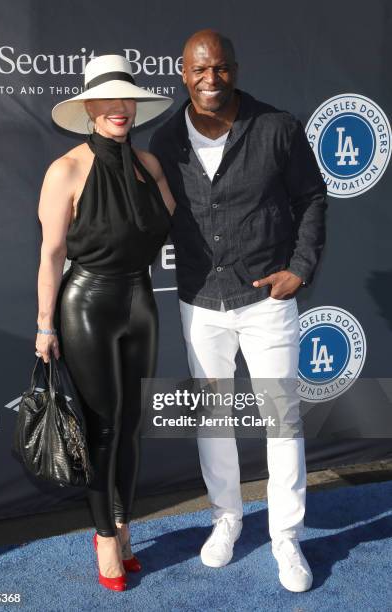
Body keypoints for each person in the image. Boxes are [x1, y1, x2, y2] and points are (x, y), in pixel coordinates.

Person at [150, 30, 327, 592]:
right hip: (200, 303)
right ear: (183, 74)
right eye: (199, 70)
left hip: (265, 301)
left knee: (282, 420)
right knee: (213, 420)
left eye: (220, 69)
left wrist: (299, 268)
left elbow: (312, 198)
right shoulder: (165, 139)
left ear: (235, 70)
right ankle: (227, 519)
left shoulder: (276, 127)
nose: (210, 80)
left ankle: (287, 539)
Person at [34, 54, 175, 592]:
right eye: (108, 100)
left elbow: (170, 223)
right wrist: (46, 325)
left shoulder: (149, 166)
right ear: (88, 106)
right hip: (87, 302)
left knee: (133, 425)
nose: (120, 109)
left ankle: (122, 524)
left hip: (141, 299)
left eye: (127, 100)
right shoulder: (65, 170)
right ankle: (105, 540)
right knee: (103, 428)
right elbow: (50, 254)